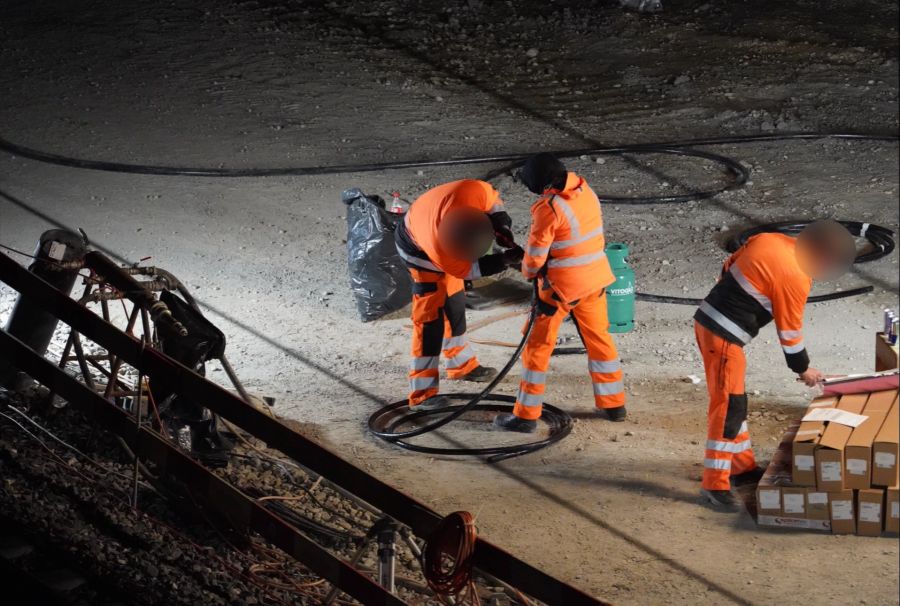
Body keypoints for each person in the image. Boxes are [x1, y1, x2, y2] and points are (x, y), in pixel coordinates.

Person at [693, 219, 856, 510]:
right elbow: (790, 334)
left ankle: (740, 467)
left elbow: (728, 266)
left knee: (734, 401)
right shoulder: (796, 277)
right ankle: (714, 484)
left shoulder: (769, 239)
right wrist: (804, 369)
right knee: (729, 406)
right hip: (722, 338)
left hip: (712, 324)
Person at [493, 153, 626, 433]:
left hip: (560, 290)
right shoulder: (585, 190)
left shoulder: (548, 207)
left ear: (540, 183)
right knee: (599, 341)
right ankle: (614, 404)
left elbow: (537, 256)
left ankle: (526, 416)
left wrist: (525, 267)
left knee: (536, 349)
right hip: (595, 280)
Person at [395, 179, 523, 409]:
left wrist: (502, 227)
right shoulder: (441, 251)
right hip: (419, 252)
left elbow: (494, 202)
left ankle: (462, 366)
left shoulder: (475, 191)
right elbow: (469, 270)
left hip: (440, 228)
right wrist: (503, 260)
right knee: (431, 321)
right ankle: (423, 393)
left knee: (454, 304)